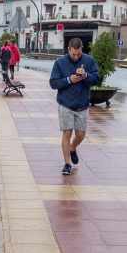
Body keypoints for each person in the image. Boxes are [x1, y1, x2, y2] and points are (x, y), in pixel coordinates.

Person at [48, 37, 100, 177]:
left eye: (78, 54)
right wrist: (69, 80)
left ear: (81, 49)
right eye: (73, 54)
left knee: (81, 135)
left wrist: (86, 76)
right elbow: (53, 83)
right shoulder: (60, 63)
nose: (76, 56)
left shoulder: (88, 61)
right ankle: (67, 164)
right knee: (67, 133)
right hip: (65, 104)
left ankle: (73, 147)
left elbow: (96, 79)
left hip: (82, 104)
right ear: (69, 49)